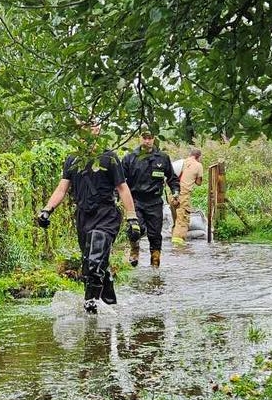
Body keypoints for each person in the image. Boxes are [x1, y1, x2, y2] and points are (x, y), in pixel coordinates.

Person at [35, 123, 141, 314]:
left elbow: (123, 188)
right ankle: (110, 305)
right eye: (85, 126)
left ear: (98, 131)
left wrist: (132, 218)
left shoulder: (110, 158)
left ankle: (89, 311)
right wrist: (47, 210)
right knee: (93, 265)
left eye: (94, 126)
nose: (90, 130)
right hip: (83, 217)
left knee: (94, 262)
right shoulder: (72, 159)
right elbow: (62, 188)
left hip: (106, 215)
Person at [122, 130, 180, 267]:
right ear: (139, 138)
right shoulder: (130, 158)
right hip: (135, 200)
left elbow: (172, 178)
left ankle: (155, 263)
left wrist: (176, 192)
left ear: (154, 139)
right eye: (144, 138)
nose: (147, 140)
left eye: (150, 138)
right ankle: (134, 250)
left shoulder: (162, 157)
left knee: (155, 235)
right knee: (136, 229)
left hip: (154, 202)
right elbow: (120, 181)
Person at [170, 147, 205, 245]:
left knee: (176, 219)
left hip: (172, 194)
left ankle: (173, 240)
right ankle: (178, 247)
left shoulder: (181, 162)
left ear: (190, 155)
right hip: (183, 196)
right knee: (182, 220)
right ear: (198, 157)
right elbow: (199, 182)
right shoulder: (198, 165)